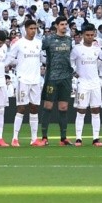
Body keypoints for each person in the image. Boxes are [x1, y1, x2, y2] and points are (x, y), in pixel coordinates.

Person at [38, 15, 73, 146]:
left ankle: (63, 138)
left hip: (66, 78)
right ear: (57, 26)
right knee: (48, 106)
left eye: (66, 24)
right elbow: (38, 51)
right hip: (52, 77)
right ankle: (44, 138)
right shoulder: (48, 40)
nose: (64, 26)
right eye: (62, 24)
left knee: (63, 107)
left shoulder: (69, 40)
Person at [6, 18, 41, 146]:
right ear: (26, 29)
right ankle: (15, 138)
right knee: (21, 107)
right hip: (23, 79)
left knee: (34, 107)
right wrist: (3, 66)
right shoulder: (19, 43)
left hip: (36, 80)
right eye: (31, 28)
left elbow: (42, 58)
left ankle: (34, 139)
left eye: (35, 28)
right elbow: (10, 57)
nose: (33, 31)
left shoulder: (39, 43)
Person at [70, 23, 102, 146]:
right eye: (87, 35)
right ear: (83, 35)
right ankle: (78, 138)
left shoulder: (97, 49)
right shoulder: (77, 49)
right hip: (83, 83)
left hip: (95, 83)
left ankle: (96, 138)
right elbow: (70, 61)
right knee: (81, 110)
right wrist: (74, 72)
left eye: (91, 35)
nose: (90, 37)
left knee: (96, 110)